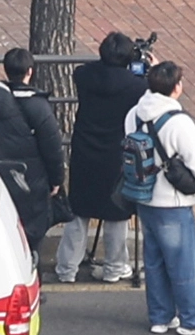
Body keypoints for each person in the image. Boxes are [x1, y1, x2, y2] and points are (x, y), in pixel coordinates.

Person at [125, 59, 195, 335]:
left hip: (143, 196)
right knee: (182, 264)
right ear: (176, 88)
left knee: (154, 261)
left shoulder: (134, 114)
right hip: (173, 202)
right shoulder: (179, 123)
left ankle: (160, 317)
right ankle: (193, 320)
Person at [59, 31, 149, 286]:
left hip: (85, 149)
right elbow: (147, 87)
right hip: (116, 153)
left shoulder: (84, 75)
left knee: (79, 210)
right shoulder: (136, 85)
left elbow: (83, 69)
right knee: (116, 211)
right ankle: (114, 267)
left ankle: (67, 268)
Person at [0, 49, 66, 256]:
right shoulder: (37, 106)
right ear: (29, 71)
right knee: (30, 239)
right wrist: (56, 181)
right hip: (30, 181)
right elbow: (52, 147)